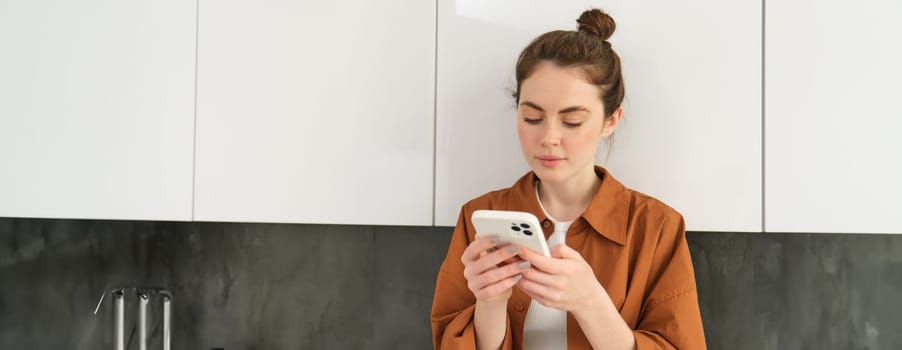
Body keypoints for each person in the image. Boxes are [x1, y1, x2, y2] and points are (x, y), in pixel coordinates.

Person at [431, 8, 707, 350]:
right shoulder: (479, 216)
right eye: (532, 117)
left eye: (572, 121)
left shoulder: (655, 227)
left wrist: (591, 304)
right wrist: (490, 303)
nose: (548, 137)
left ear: (611, 120)